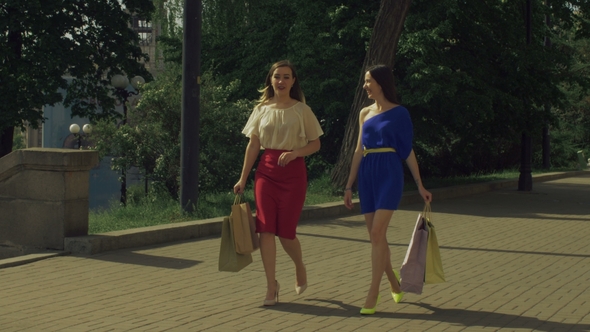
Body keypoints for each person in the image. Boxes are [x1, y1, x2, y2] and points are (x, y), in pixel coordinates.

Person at [343, 64, 432, 315]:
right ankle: (394, 281)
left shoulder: (400, 113)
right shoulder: (364, 113)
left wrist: (420, 184)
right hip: (367, 174)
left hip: (389, 172)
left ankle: (373, 293)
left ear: (381, 82)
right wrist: (349, 185)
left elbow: (407, 150)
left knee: (377, 232)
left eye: (369, 80)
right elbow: (358, 150)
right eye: (365, 81)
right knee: (376, 236)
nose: (365, 85)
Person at [234, 60, 324, 306]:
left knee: (286, 234)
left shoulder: (302, 110)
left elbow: (315, 144)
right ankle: (271, 286)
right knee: (265, 229)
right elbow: (253, 145)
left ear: (293, 81)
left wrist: (296, 152)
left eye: (286, 77)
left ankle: (299, 266)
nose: (281, 81)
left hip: (293, 174)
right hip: (266, 172)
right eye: (277, 77)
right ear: (270, 80)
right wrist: (243, 178)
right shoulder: (262, 109)